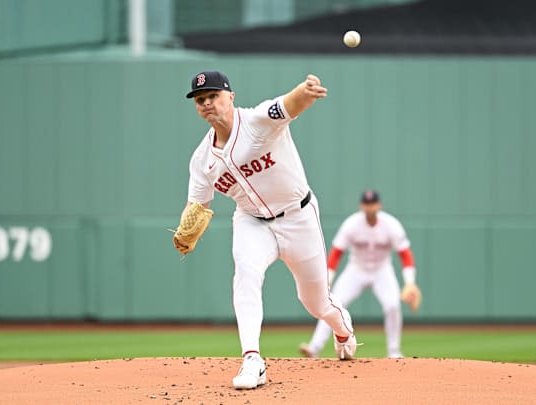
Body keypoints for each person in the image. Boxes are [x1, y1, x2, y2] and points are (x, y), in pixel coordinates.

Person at [174, 71, 357, 390]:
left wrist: (304, 90)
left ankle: (342, 329)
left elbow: (288, 105)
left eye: (213, 96)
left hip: (298, 217)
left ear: (230, 96)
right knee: (245, 276)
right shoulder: (201, 159)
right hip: (251, 221)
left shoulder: (258, 120)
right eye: (200, 100)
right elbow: (197, 206)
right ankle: (252, 359)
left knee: (316, 302)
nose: (207, 103)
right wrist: (185, 230)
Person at [299, 190, 421, 359]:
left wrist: (410, 282)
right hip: (356, 270)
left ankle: (394, 351)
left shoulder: (391, 225)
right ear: (361, 205)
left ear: (379, 205)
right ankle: (314, 347)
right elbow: (336, 253)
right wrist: (327, 280)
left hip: (382, 271)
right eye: (367, 204)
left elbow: (405, 254)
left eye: (373, 204)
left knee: (392, 305)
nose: (370, 207)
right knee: (331, 304)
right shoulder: (351, 224)